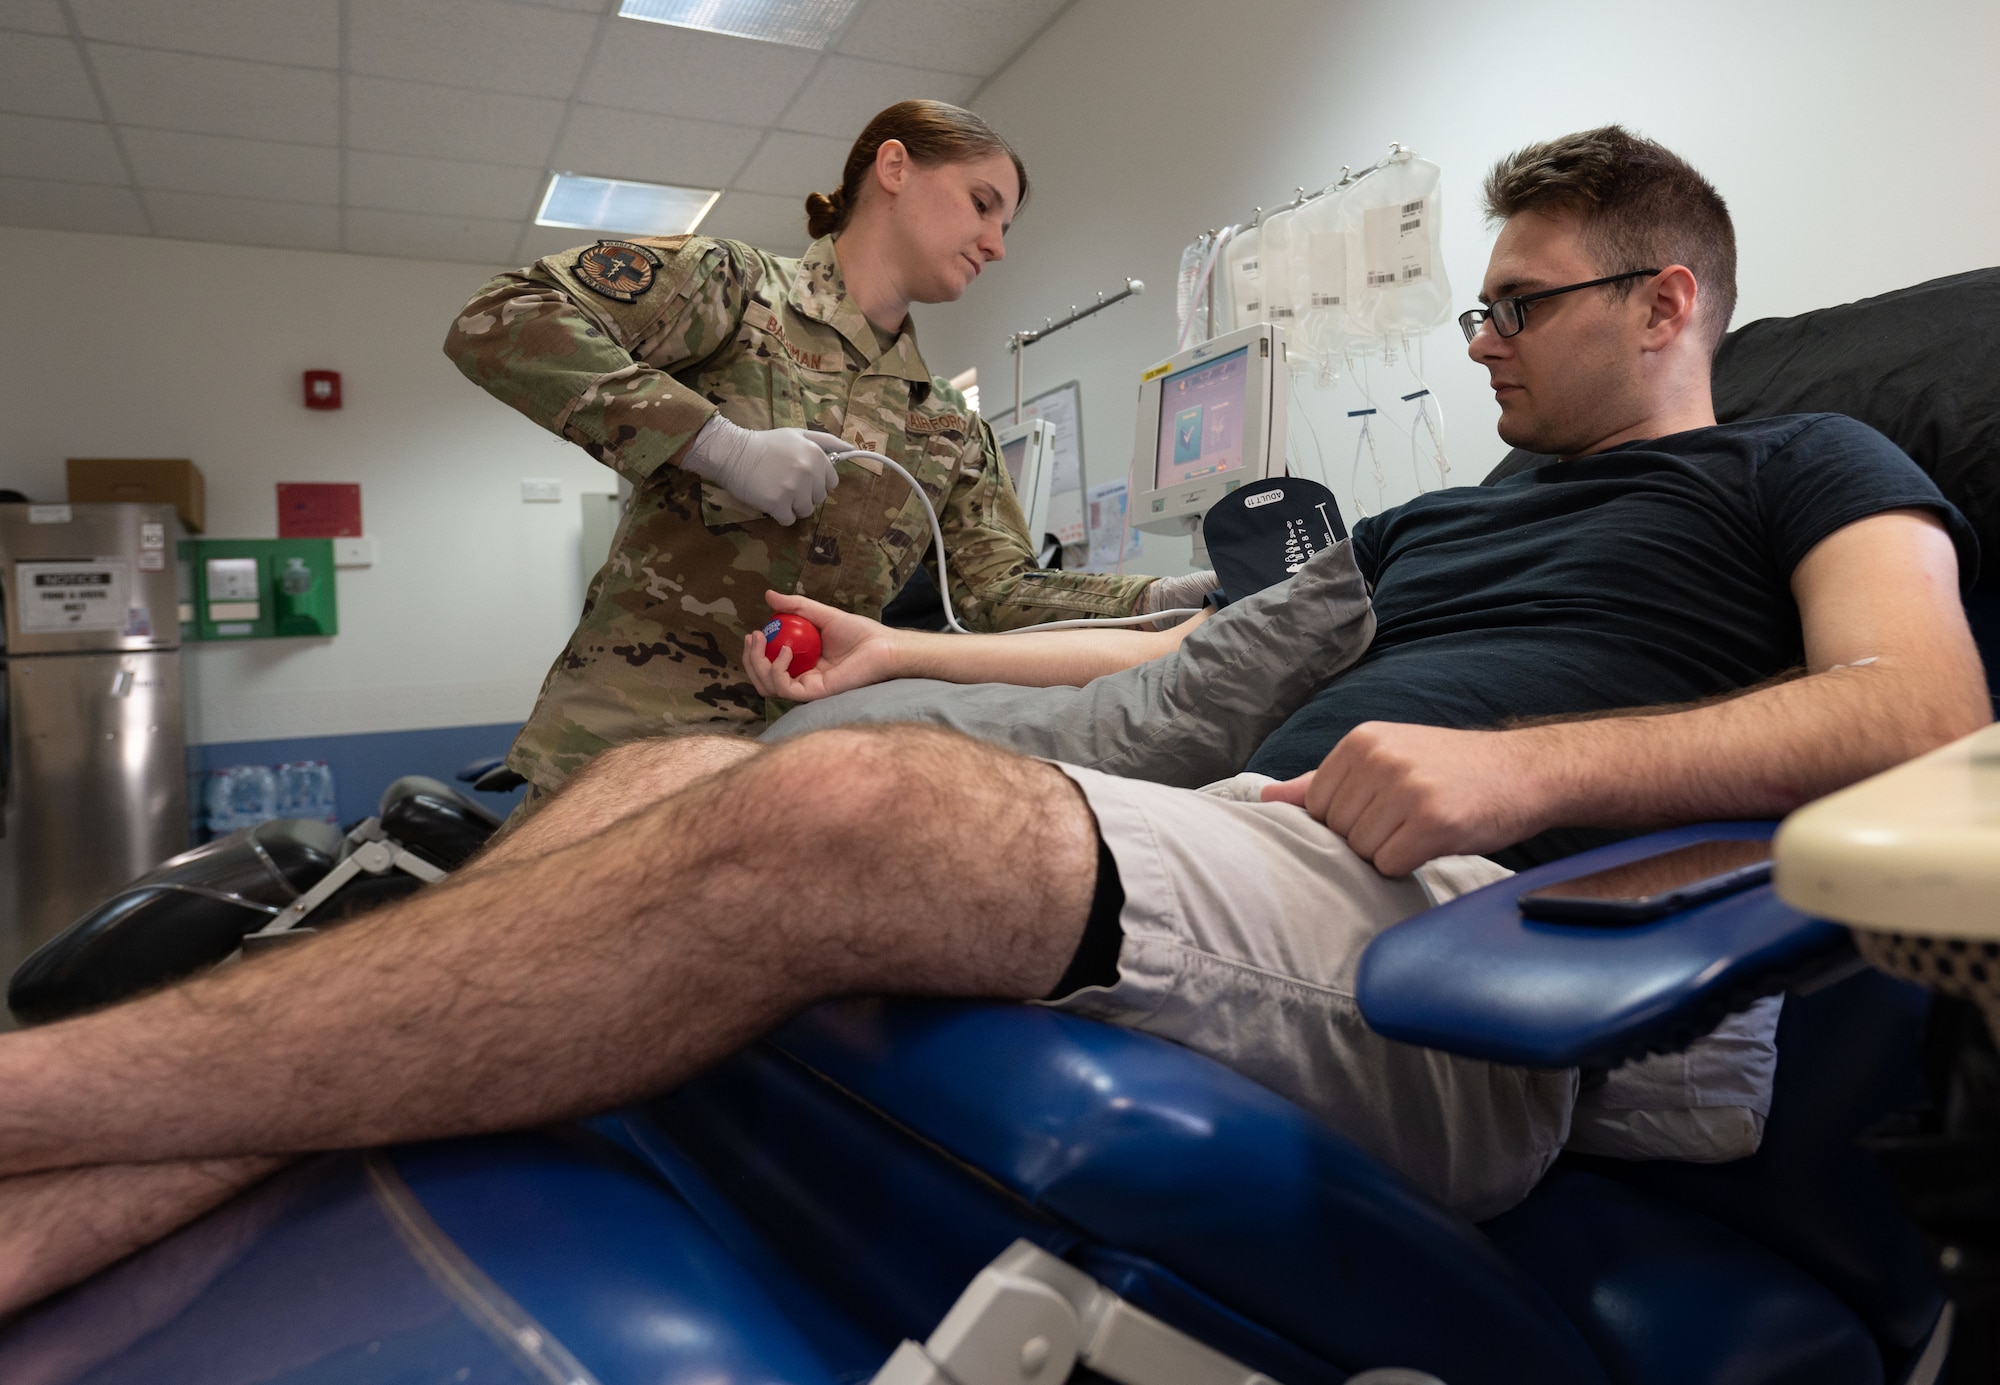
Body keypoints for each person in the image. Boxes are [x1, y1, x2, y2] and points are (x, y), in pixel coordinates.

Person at [0, 127, 1987, 1313]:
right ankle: (75, 1190)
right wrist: (890, 668)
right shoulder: (1436, 515)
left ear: (1664, 304)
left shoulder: (1800, 461)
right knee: (694, 764)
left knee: (839, 822)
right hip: (1273, 838)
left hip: (1485, 939)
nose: (1475, 340)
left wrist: (1528, 763)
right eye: (1470, 307)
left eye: (1513, 305)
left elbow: (1921, 699)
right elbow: (1168, 677)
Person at [446, 99, 1212, 813]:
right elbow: (500, 318)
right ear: (895, 167)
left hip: (793, 771)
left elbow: (1000, 592)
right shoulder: (736, 293)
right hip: (626, 749)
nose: (997, 245)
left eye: (1005, 224)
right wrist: (716, 443)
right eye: (983, 204)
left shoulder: (943, 422)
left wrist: (1166, 597)